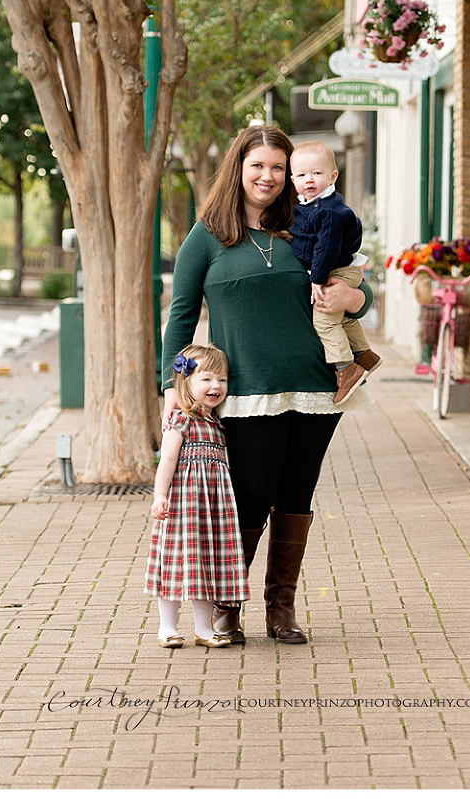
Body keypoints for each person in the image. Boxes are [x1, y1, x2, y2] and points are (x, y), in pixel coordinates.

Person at [160, 125, 375, 645]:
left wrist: (355, 299)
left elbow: (352, 287)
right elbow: (182, 316)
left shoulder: (307, 224)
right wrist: (175, 388)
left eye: (278, 167)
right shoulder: (207, 236)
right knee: (250, 496)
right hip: (245, 392)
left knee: (296, 494)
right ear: (238, 168)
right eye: (258, 165)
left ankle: (281, 607)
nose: (269, 176)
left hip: (315, 386)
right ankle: (229, 604)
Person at [144, 343, 248, 650]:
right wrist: (159, 496)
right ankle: (167, 627)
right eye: (206, 379)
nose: (216, 386)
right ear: (186, 383)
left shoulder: (218, 425)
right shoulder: (181, 420)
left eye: (222, 379)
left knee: (207, 565)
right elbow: (168, 460)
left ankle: (204, 628)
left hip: (211, 509)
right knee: (175, 563)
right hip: (182, 507)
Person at [289, 140, 383, 404]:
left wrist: (316, 279)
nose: (309, 180)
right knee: (342, 320)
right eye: (302, 175)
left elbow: (326, 249)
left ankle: (346, 368)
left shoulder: (330, 211)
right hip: (337, 269)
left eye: (317, 174)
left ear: (333, 176)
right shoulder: (307, 205)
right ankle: (364, 354)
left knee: (325, 320)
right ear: (292, 178)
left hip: (337, 271)